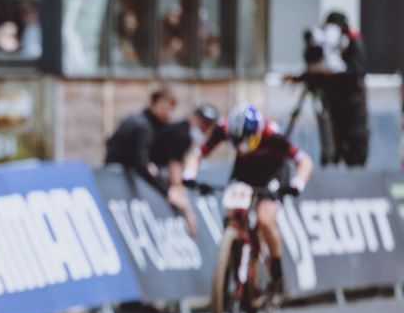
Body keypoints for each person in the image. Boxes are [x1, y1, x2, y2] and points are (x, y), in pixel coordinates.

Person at [183, 103, 314, 296]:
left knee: (265, 218)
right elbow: (197, 154)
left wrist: (297, 184)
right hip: (245, 169)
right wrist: (189, 174)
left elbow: (304, 161)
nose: (241, 146)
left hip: (273, 172)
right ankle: (232, 255)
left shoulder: (272, 134)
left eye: (245, 140)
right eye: (236, 141)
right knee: (232, 212)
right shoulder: (223, 129)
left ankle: (277, 273)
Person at [287, 11, 369, 167]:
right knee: (333, 140)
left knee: (356, 142)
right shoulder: (326, 48)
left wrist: (340, 70)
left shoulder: (353, 42)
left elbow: (358, 71)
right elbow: (318, 69)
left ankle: (353, 163)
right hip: (333, 104)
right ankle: (332, 159)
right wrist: (301, 77)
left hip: (353, 105)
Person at [152, 103, 220, 237]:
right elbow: (174, 165)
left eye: (208, 125)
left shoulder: (185, 134)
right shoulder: (180, 133)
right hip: (151, 167)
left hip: (160, 167)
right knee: (180, 198)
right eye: (203, 123)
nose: (204, 128)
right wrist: (177, 188)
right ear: (194, 117)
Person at [104, 88, 177, 194]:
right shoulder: (143, 127)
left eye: (169, 109)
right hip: (119, 175)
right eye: (163, 108)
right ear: (152, 105)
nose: (167, 113)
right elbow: (141, 162)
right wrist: (165, 190)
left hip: (121, 171)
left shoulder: (148, 123)